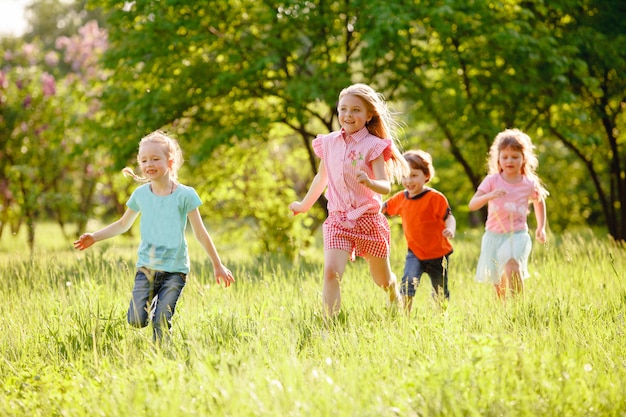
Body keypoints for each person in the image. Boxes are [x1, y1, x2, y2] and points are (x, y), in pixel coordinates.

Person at [74, 130, 234, 343]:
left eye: (155, 159)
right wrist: (94, 236)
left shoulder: (185, 195)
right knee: (136, 320)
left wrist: (217, 264)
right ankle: (150, 313)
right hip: (146, 269)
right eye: (144, 160)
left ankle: (161, 358)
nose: (149, 164)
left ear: (170, 161)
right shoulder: (140, 195)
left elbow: (200, 233)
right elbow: (123, 224)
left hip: (175, 271)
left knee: (161, 321)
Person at [289, 83, 409, 318]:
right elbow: (321, 177)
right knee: (331, 272)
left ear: (368, 115)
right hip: (338, 220)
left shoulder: (373, 145)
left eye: (356, 110)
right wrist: (304, 205)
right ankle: (329, 326)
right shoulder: (329, 142)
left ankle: (394, 292)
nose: (348, 115)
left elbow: (384, 186)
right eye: (343, 109)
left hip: (368, 220)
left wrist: (370, 183)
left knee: (381, 279)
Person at [469, 128, 548, 300]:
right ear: (498, 158)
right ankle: (504, 310)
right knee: (498, 280)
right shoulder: (492, 180)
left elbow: (539, 200)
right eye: (505, 157)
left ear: (523, 158)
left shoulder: (528, 183)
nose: (509, 161)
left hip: (517, 235)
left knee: (512, 265)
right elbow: (473, 204)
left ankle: (519, 305)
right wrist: (490, 195)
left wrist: (541, 227)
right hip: (493, 236)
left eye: (514, 157)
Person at [382, 150, 456, 313]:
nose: (409, 181)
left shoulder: (435, 198)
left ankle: (441, 318)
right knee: (408, 283)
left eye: (414, 175)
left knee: (440, 291)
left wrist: (450, 228)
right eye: (405, 176)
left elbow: (449, 217)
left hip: (438, 254)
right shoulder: (401, 198)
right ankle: (405, 318)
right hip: (415, 253)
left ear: (426, 175)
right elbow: (383, 207)